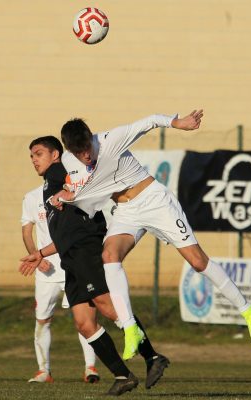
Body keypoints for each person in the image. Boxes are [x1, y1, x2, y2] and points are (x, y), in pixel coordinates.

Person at [53, 110, 251, 360]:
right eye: (79, 152)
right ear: (70, 150)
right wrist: (66, 195)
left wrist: (178, 123)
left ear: (91, 138)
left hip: (154, 201)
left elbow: (149, 121)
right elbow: (76, 187)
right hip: (125, 210)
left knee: (197, 261)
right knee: (109, 255)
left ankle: (248, 310)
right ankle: (131, 328)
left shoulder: (111, 140)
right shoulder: (70, 161)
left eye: (87, 148)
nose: (86, 155)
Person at [20, 136, 169, 395]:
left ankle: (152, 357)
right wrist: (40, 253)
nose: (34, 159)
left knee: (107, 306)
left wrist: (73, 186)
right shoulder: (47, 186)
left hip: (86, 250)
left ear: (56, 154)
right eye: (31, 155)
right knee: (84, 322)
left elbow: (82, 178)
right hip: (70, 257)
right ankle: (123, 375)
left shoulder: (61, 169)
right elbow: (65, 234)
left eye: (39, 153)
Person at [21, 185, 100, 383]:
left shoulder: (75, 194)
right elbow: (26, 232)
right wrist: (36, 258)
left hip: (74, 268)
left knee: (84, 321)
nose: (35, 160)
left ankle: (90, 368)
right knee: (42, 320)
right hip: (46, 273)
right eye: (33, 155)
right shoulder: (32, 197)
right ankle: (43, 371)